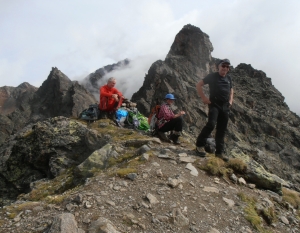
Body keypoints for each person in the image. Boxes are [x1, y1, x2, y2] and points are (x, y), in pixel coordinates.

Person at [195, 59, 234, 161]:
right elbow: (199, 85)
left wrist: (230, 101)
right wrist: (204, 98)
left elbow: (231, 90)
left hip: (225, 106)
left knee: (222, 129)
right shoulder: (212, 76)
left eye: (227, 66)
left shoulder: (229, 78)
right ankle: (199, 145)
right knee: (211, 124)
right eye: (223, 66)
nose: (225, 68)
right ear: (219, 66)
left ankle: (219, 153)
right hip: (214, 104)